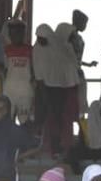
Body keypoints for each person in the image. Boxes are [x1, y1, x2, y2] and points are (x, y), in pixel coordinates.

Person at [34, 23, 81, 156]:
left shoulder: (57, 47)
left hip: (60, 89)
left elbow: (68, 69)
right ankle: (45, 146)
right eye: (38, 38)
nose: (40, 41)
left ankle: (58, 146)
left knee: (58, 118)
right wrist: (43, 92)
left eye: (43, 38)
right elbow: (39, 72)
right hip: (44, 88)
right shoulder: (37, 49)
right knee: (44, 118)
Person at [2, 18, 35, 124]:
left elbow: (34, 70)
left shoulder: (30, 50)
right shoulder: (6, 50)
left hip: (26, 91)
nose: (16, 35)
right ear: (10, 34)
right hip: (9, 91)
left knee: (25, 122)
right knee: (8, 121)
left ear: (23, 33)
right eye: (13, 33)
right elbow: (4, 70)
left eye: (19, 32)